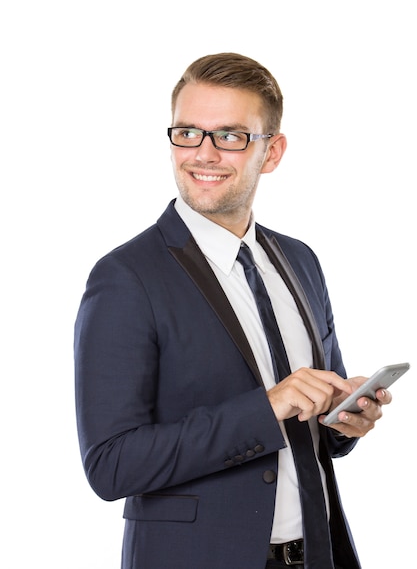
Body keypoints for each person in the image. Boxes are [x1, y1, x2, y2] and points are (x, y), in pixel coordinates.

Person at [74, 52, 392, 569]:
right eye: (188, 132)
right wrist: (265, 408)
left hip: (316, 553)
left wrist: (342, 422)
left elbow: (314, 431)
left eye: (230, 136)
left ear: (272, 151)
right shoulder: (126, 278)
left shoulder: (300, 260)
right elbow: (110, 466)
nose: (203, 153)